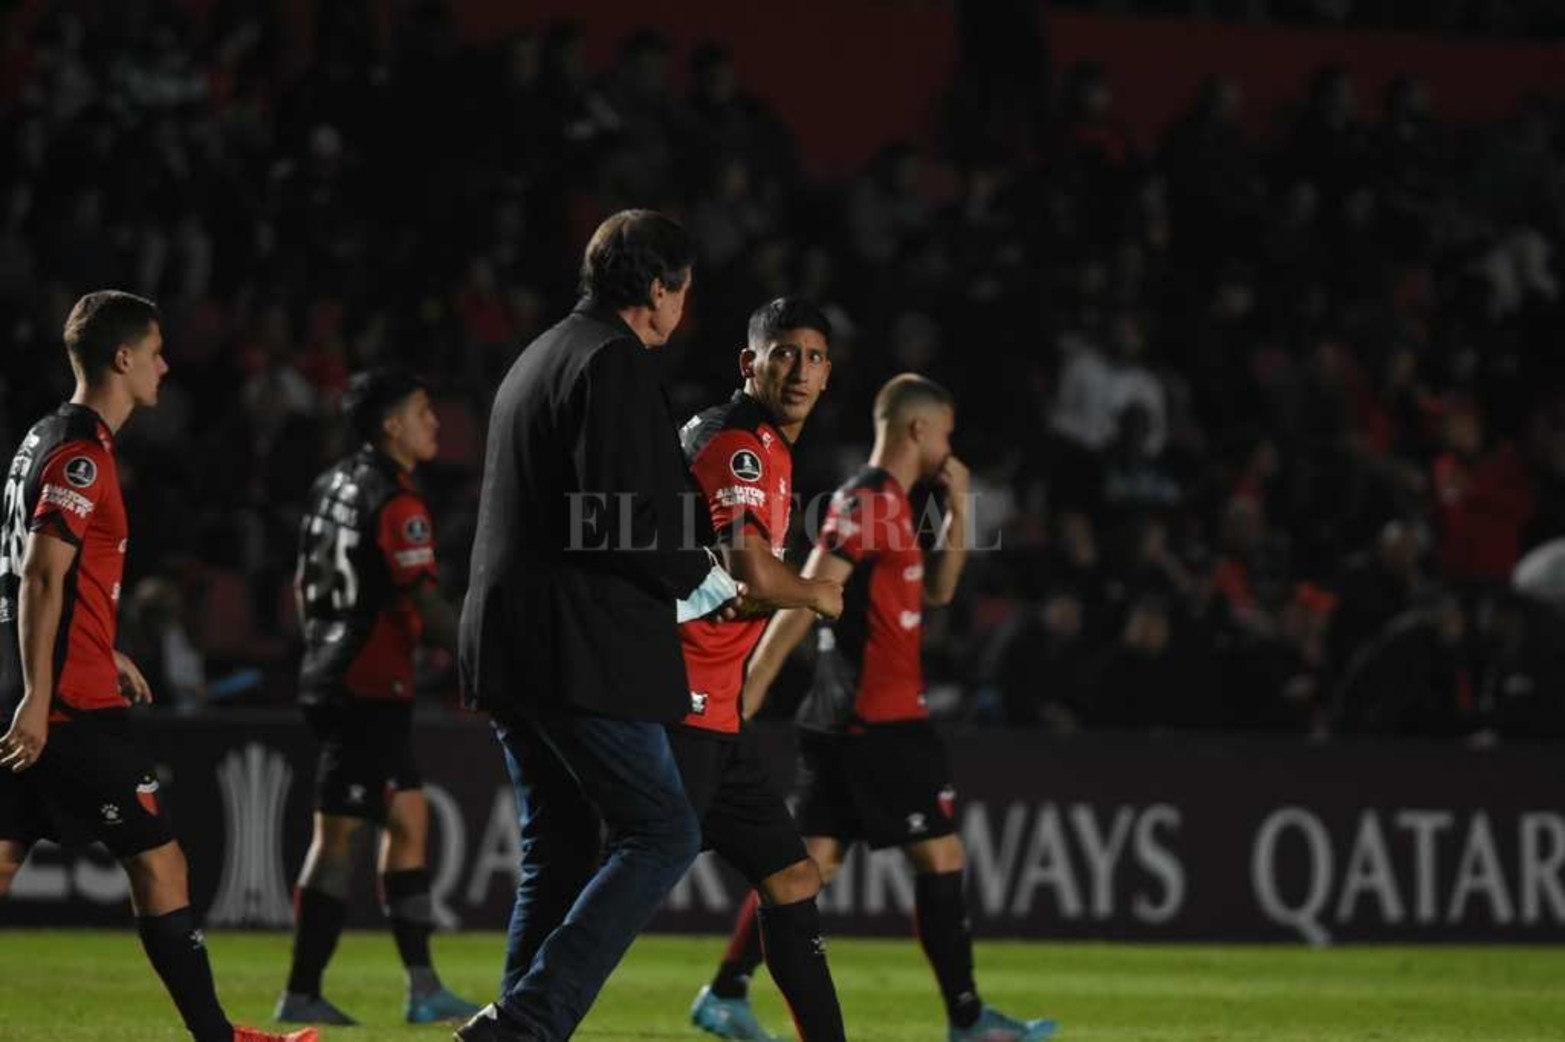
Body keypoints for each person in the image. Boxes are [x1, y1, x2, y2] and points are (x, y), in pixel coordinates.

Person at [456, 210, 743, 1042]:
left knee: (560, 844)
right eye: (682, 291)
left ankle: (516, 1026)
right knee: (662, 832)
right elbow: (618, 516)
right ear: (657, 288)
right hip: (574, 646)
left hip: (508, 640)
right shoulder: (611, 360)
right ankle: (528, 1021)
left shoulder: (542, 353)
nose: (682, 308)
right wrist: (703, 579)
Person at [0, 290, 316, 1042]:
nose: (166, 366)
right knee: (160, 864)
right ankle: (217, 1038)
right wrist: (42, 694)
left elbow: (33, 571)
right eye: (155, 352)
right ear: (123, 359)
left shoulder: (43, 436)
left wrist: (98, 643)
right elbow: (39, 574)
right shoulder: (81, 455)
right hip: (68, 705)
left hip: (43, 683)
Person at [712, 374, 1059, 1042]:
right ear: (918, 429)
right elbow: (809, 594)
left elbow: (940, 591)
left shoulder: (896, 504)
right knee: (940, 856)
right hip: (877, 721)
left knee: (808, 868)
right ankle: (966, 1019)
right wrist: (752, 685)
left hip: (855, 718)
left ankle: (726, 990)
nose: (949, 448)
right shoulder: (867, 501)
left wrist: (958, 506)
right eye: (946, 434)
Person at [276, 367, 481, 1026]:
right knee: (337, 838)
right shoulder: (396, 501)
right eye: (422, 412)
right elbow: (424, 600)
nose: (434, 423)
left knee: (408, 820)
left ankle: (423, 986)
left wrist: (322, 646)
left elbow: (302, 585)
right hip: (365, 687)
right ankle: (302, 991)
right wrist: (480, 657)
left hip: (339, 673)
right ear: (391, 425)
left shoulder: (330, 484)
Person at [675, 298, 847, 1042]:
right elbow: (748, 574)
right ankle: (520, 1020)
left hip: (712, 707)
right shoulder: (737, 443)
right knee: (615, 881)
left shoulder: (762, 443)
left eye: (814, 357)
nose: (799, 371)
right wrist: (817, 593)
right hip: (675, 702)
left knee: (792, 877)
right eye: (784, 354)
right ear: (750, 363)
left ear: (828, 373)